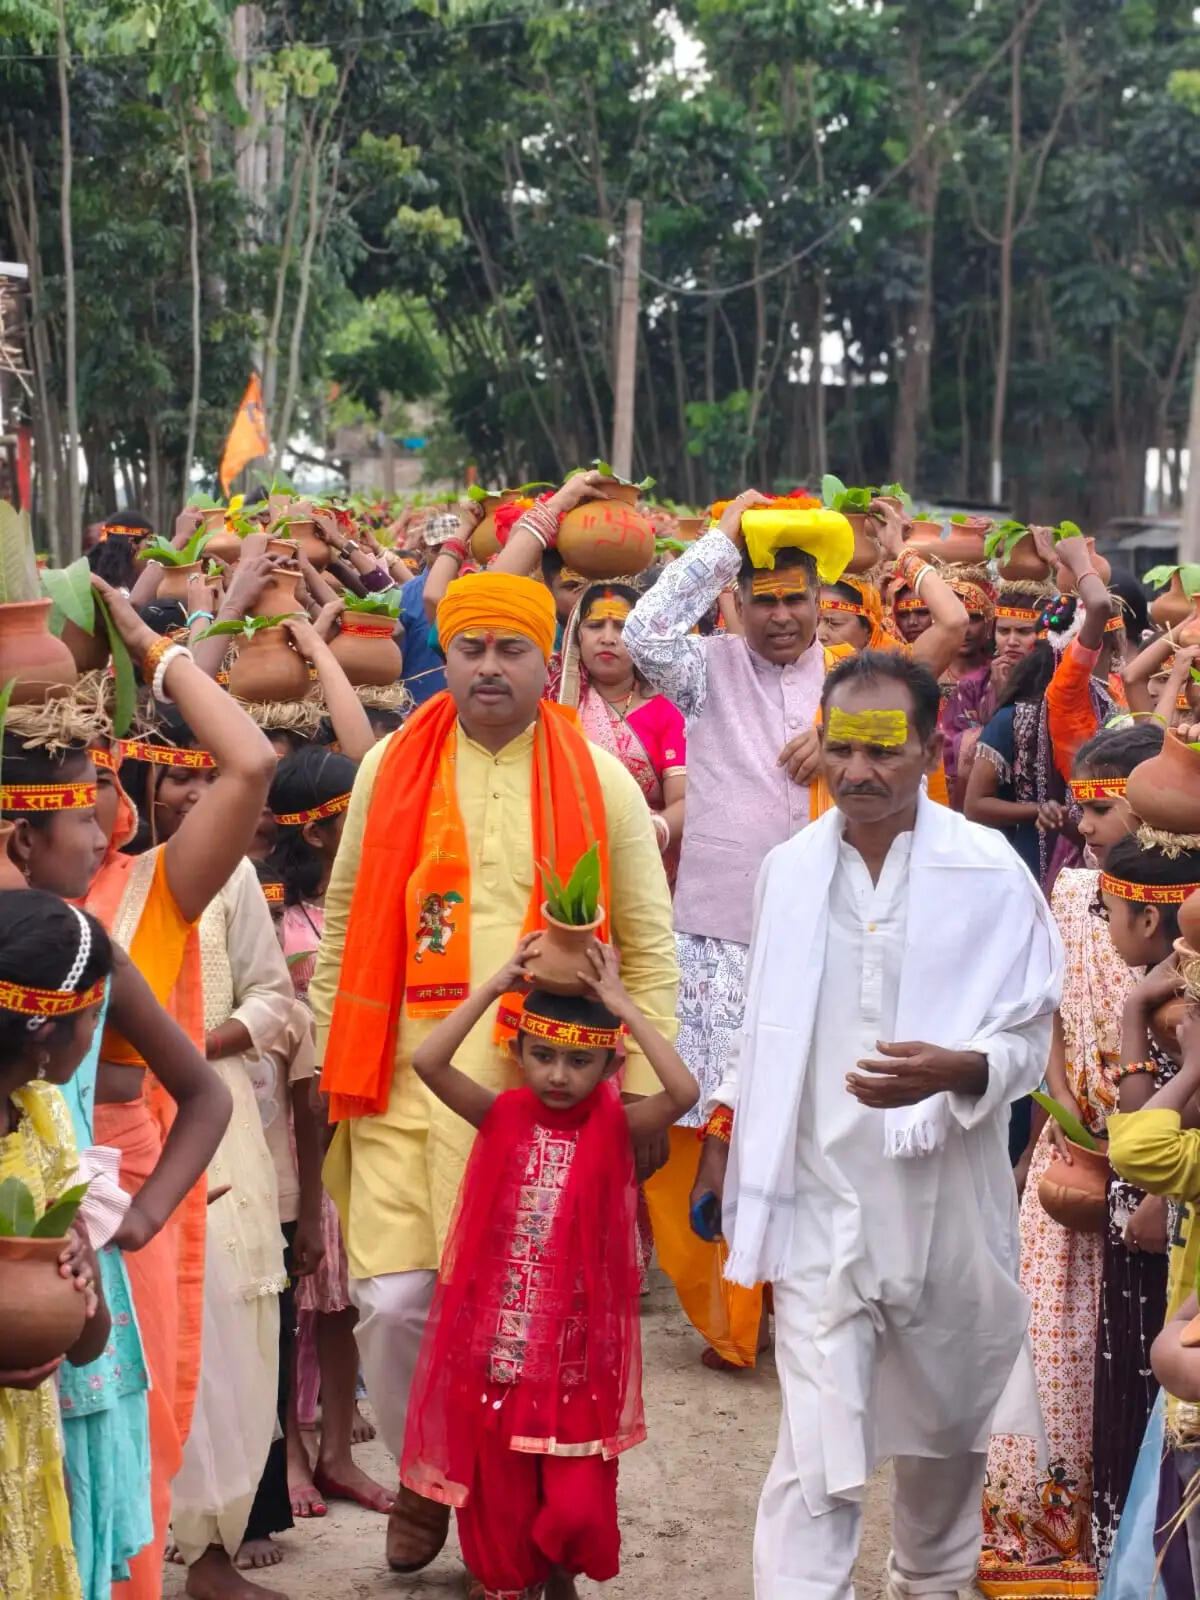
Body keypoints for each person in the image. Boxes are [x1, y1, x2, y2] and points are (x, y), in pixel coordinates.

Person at [309, 569, 677, 1573]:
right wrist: (322, 1046)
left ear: (544, 661)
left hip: (545, 1101)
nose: (486, 667)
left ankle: (499, 1498)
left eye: (509, 649)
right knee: (394, 1304)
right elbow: (346, 916)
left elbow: (646, 941)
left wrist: (642, 1101)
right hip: (406, 1083)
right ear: (447, 656)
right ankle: (433, 1470)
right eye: (468, 647)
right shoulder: (391, 762)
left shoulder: (600, 777)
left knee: (528, 1327)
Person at [702, 649, 1062, 1599]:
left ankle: (930, 1584)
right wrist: (726, 1138)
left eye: (882, 751)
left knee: (949, 1441)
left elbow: (1032, 1036)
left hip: (946, 1208)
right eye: (839, 748)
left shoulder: (989, 870)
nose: (856, 772)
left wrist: (967, 1068)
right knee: (816, 1458)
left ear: (927, 750)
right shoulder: (787, 871)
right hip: (824, 1209)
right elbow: (765, 1028)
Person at [618, 492, 965, 1369]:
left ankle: (810, 1299)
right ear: (734, 602)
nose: (780, 616)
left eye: (795, 599)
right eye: (762, 598)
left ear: (821, 602)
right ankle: (732, 1318)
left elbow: (905, 734)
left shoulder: (852, 685)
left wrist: (831, 732)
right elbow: (642, 635)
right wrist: (722, 539)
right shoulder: (707, 669)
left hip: (831, 932)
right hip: (719, 931)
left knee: (814, 1114)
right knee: (707, 1119)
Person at [402, 939, 698, 1600]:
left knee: (575, 1506)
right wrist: (496, 982)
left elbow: (684, 1091)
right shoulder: (502, 1114)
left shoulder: (617, 1126)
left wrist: (621, 1003)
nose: (558, 1076)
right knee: (501, 1498)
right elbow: (427, 1059)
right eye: (543, 1056)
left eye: (579, 1061)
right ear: (518, 1053)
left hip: (575, 1359)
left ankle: (555, 1566)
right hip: (498, 1353)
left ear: (607, 1064)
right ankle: (516, 1579)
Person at [978, 721, 1165, 1597]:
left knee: (1124, 1351)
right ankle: (1041, 1536)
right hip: (1074, 1144)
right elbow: (1049, 1015)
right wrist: (1062, 1121)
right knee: (1048, 1344)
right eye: (1080, 804)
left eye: (1102, 805)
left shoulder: (1175, 918)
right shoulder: (1070, 891)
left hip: (1147, 1164)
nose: (1084, 826)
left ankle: (1118, 1533)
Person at [266, 748, 394, 1521]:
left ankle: (340, 1451)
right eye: (357, 812)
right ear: (317, 835)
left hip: (355, 1109)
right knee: (294, 1298)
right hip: (288, 1121)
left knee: (342, 1298)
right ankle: (291, 1452)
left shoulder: (373, 896)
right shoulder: (269, 908)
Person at [1087, 834, 1200, 1571]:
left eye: (1110, 911)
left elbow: (1142, 1134)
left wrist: (1135, 1013)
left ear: (1152, 924)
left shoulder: (1172, 1014)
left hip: (1165, 1214)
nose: (1104, 924)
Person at [0, 890, 113, 1600]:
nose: (95, 1035)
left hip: (26, 1450)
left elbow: (83, 1344)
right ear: (46, 1033)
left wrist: (81, 1267)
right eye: (95, 1018)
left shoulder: (42, 1123)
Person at [554, 580, 687, 884]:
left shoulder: (666, 710)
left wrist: (648, 833)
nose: (607, 638)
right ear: (577, 635)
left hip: (645, 867)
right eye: (596, 625)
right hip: (566, 863)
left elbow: (682, 801)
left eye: (622, 627)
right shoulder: (555, 702)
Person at [941, 580, 1051, 802]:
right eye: (1003, 631)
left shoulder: (1057, 683)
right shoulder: (972, 686)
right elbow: (950, 753)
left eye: (1023, 632)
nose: (1011, 641)